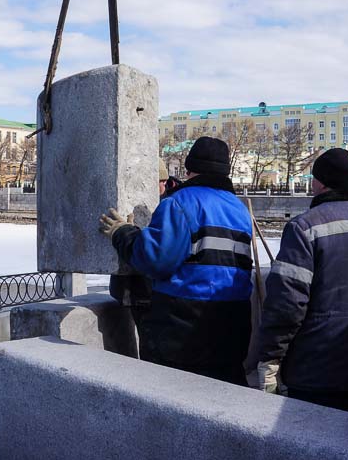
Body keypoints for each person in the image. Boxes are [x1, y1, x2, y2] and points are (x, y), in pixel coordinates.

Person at [246, 148, 348, 417]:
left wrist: (270, 357)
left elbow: (287, 303)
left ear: (319, 183)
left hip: (316, 370)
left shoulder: (304, 227)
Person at [98, 136, 253, 385]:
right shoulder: (240, 209)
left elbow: (155, 260)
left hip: (184, 327)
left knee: (174, 399)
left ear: (190, 169)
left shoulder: (180, 203)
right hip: (233, 323)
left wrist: (123, 233)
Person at [108, 159, 170, 345]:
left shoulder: (168, 207)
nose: (162, 186)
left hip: (149, 290)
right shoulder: (129, 199)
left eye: (164, 182)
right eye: (160, 181)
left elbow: (156, 251)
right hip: (131, 288)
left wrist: (129, 232)